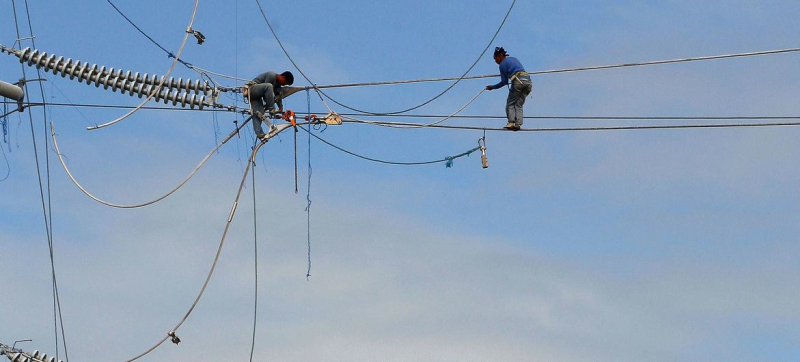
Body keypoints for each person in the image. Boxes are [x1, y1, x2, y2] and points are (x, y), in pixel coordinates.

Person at [485, 47, 532, 131]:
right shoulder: (514, 59)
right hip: (528, 82)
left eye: (495, 59)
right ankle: (518, 124)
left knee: (510, 103)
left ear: (499, 56)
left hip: (518, 82)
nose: (495, 61)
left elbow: (504, 82)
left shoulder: (502, 65)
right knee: (519, 104)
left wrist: (492, 87)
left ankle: (511, 122)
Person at [245, 71, 294, 140]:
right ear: (283, 78)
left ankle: (260, 134)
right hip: (252, 89)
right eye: (285, 83)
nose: (283, 85)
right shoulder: (271, 75)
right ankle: (272, 108)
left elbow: (278, 96)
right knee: (269, 86)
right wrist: (271, 108)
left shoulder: (277, 85)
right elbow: (266, 92)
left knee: (259, 113)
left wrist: (280, 107)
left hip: (256, 97)